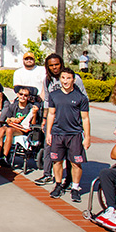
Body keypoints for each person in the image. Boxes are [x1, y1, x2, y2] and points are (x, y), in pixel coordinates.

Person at [34, 53, 87, 186]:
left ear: (61, 64)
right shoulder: (48, 80)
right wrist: (45, 119)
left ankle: (69, 180)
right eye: (51, 65)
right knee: (48, 147)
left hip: (71, 122)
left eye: (56, 64)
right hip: (54, 121)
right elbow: (46, 100)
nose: (54, 67)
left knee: (71, 153)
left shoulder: (74, 79)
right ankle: (47, 174)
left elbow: (83, 99)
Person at [46, 68, 91, 202]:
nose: (65, 81)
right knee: (57, 161)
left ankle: (75, 188)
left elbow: (85, 119)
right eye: (63, 78)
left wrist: (87, 137)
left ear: (74, 80)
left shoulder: (81, 97)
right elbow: (51, 114)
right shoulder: (54, 95)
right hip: (57, 134)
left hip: (74, 135)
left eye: (68, 78)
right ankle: (58, 185)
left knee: (76, 163)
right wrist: (48, 133)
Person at [0, 85, 40, 166]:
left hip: (22, 130)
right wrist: (11, 119)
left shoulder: (30, 107)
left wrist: (34, 113)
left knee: (9, 130)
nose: (23, 97)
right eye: (21, 94)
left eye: (25, 95)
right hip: (12, 126)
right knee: (1, 129)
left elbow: (33, 123)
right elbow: (7, 119)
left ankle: (5, 156)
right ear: (17, 95)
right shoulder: (13, 106)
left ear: (28, 97)